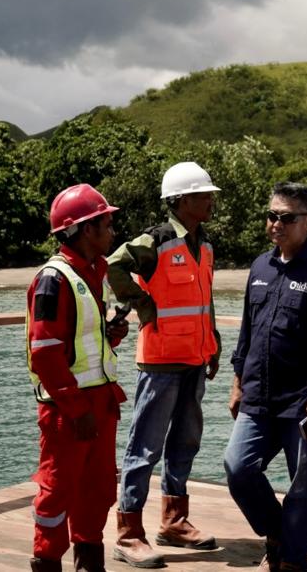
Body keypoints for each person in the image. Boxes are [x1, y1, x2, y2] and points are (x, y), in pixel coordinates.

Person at [223, 182, 307, 572]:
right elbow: (248, 327)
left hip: (304, 398)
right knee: (237, 466)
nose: (276, 223)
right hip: (258, 392)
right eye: (272, 215)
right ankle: (276, 530)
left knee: (305, 484)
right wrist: (237, 379)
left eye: (287, 217)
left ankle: (292, 560)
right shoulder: (260, 267)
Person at [108, 161, 222, 568]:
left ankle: (174, 522)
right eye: (204, 194)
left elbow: (202, 301)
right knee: (145, 447)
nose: (210, 200)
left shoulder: (205, 244)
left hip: (195, 357)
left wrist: (215, 343)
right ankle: (128, 533)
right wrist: (141, 304)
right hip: (159, 362)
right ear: (181, 200)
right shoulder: (154, 241)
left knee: (185, 443)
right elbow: (113, 266)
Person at [27, 184, 127, 572]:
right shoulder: (54, 278)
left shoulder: (92, 271)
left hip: (98, 403)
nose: (112, 231)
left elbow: (79, 337)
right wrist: (75, 406)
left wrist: (111, 331)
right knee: (58, 492)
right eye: (107, 223)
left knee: (98, 488)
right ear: (87, 229)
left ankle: (89, 562)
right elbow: (46, 352)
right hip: (70, 410)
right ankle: (47, 560)